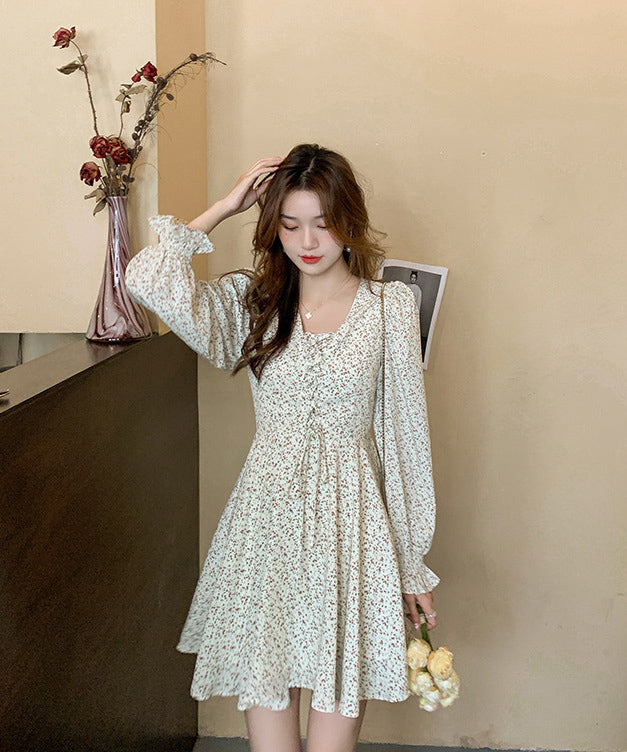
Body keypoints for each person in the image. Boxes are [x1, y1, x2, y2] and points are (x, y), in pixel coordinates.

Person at [125, 144, 440, 752]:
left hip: (350, 529)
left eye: (323, 223)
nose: (308, 242)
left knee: (332, 732)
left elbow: (405, 442)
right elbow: (146, 278)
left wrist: (409, 563)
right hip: (266, 525)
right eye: (290, 225)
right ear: (273, 227)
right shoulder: (254, 303)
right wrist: (225, 206)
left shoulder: (390, 308)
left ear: (349, 220)